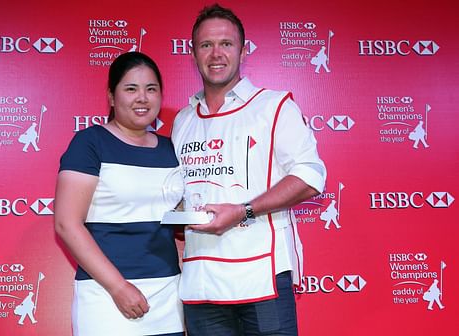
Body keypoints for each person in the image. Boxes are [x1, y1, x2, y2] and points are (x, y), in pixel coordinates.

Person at [171, 4, 327, 335]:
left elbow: (311, 177)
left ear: (243, 51)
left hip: (262, 283)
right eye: (206, 45)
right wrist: (174, 213)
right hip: (201, 286)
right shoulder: (183, 120)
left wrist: (243, 210)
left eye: (226, 44)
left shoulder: (274, 105)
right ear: (192, 52)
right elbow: (178, 199)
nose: (216, 54)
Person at [54, 52, 185, 336]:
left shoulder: (171, 149)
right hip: (106, 296)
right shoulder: (90, 143)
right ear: (111, 97)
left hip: (167, 296)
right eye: (130, 89)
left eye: (151, 89)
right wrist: (118, 286)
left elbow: (180, 219)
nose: (142, 98)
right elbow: (66, 223)